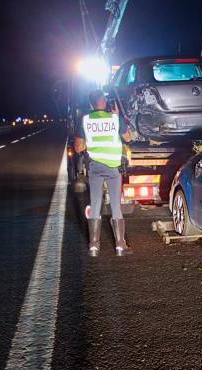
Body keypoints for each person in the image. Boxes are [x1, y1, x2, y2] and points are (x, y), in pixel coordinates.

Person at [79, 90, 133, 257]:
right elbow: (129, 138)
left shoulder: (86, 120)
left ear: (91, 104)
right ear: (104, 103)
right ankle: (120, 246)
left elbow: (78, 147)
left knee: (95, 204)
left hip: (95, 167)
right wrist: (118, 117)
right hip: (113, 167)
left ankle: (93, 247)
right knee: (115, 205)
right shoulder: (114, 119)